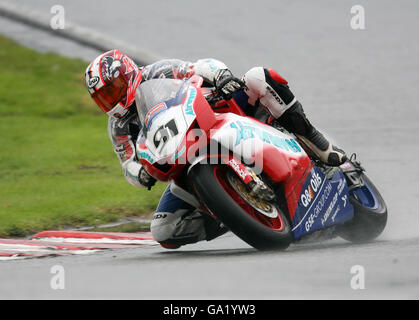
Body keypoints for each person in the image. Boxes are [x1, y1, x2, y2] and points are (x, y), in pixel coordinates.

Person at [85, 49, 347, 249]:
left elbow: (201, 66)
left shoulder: (158, 72)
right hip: (182, 158)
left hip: (215, 114)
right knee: (164, 230)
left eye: (114, 89)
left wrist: (220, 77)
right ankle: (233, 211)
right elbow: (127, 162)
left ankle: (313, 139)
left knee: (258, 77)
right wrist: (140, 174)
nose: (112, 100)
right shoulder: (118, 126)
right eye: (103, 97)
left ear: (128, 74)